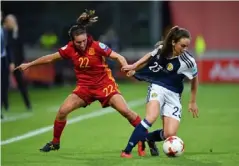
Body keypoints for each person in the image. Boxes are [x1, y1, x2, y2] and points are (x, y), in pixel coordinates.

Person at [15, 9, 158, 156]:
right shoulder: (70, 49)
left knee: (126, 111)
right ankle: (55, 143)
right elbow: (50, 58)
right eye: (79, 42)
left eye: (84, 41)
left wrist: (125, 65)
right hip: (85, 88)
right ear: (72, 41)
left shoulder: (96, 46)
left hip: (105, 85)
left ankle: (145, 138)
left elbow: (117, 56)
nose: (82, 44)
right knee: (62, 111)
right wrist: (29, 64)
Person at [120, 26, 199, 158]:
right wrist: (134, 66)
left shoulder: (188, 61)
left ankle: (147, 139)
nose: (185, 49)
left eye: (187, 46)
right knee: (151, 117)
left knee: (169, 134)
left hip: (173, 94)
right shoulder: (162, 49)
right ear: (174, 42)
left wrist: (192, 101)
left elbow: (194, 79)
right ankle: (127, 150)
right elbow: (149, 56)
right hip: (158, 87)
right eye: (182, 46)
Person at [4, 14, 32, 111]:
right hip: (6, 62)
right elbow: (8, 47)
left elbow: (20, 48)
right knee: (4, 85)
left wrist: (20, 62)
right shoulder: (4, 33)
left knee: (21, 83)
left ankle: (28, 104)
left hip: (17, 63)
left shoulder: (17, 33)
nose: (12, 23)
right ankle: (5, 106)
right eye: (9, 21)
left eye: (13, 21)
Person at [1, 11, 15, 118]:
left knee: (4, 85)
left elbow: (8, 47)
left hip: (3, 60)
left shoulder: (3, 31)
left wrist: (10, 61)